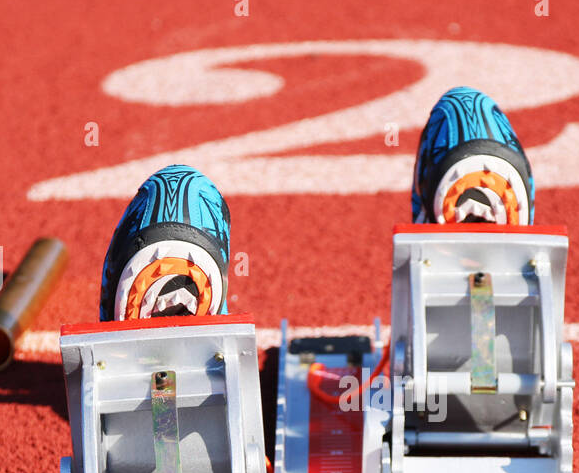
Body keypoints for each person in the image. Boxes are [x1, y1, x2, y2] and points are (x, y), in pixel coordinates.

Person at [98, 86, 534, 321]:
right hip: (515, 420)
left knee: (178, 195)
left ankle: (155, 378)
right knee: (464, 109)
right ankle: (490, 322)